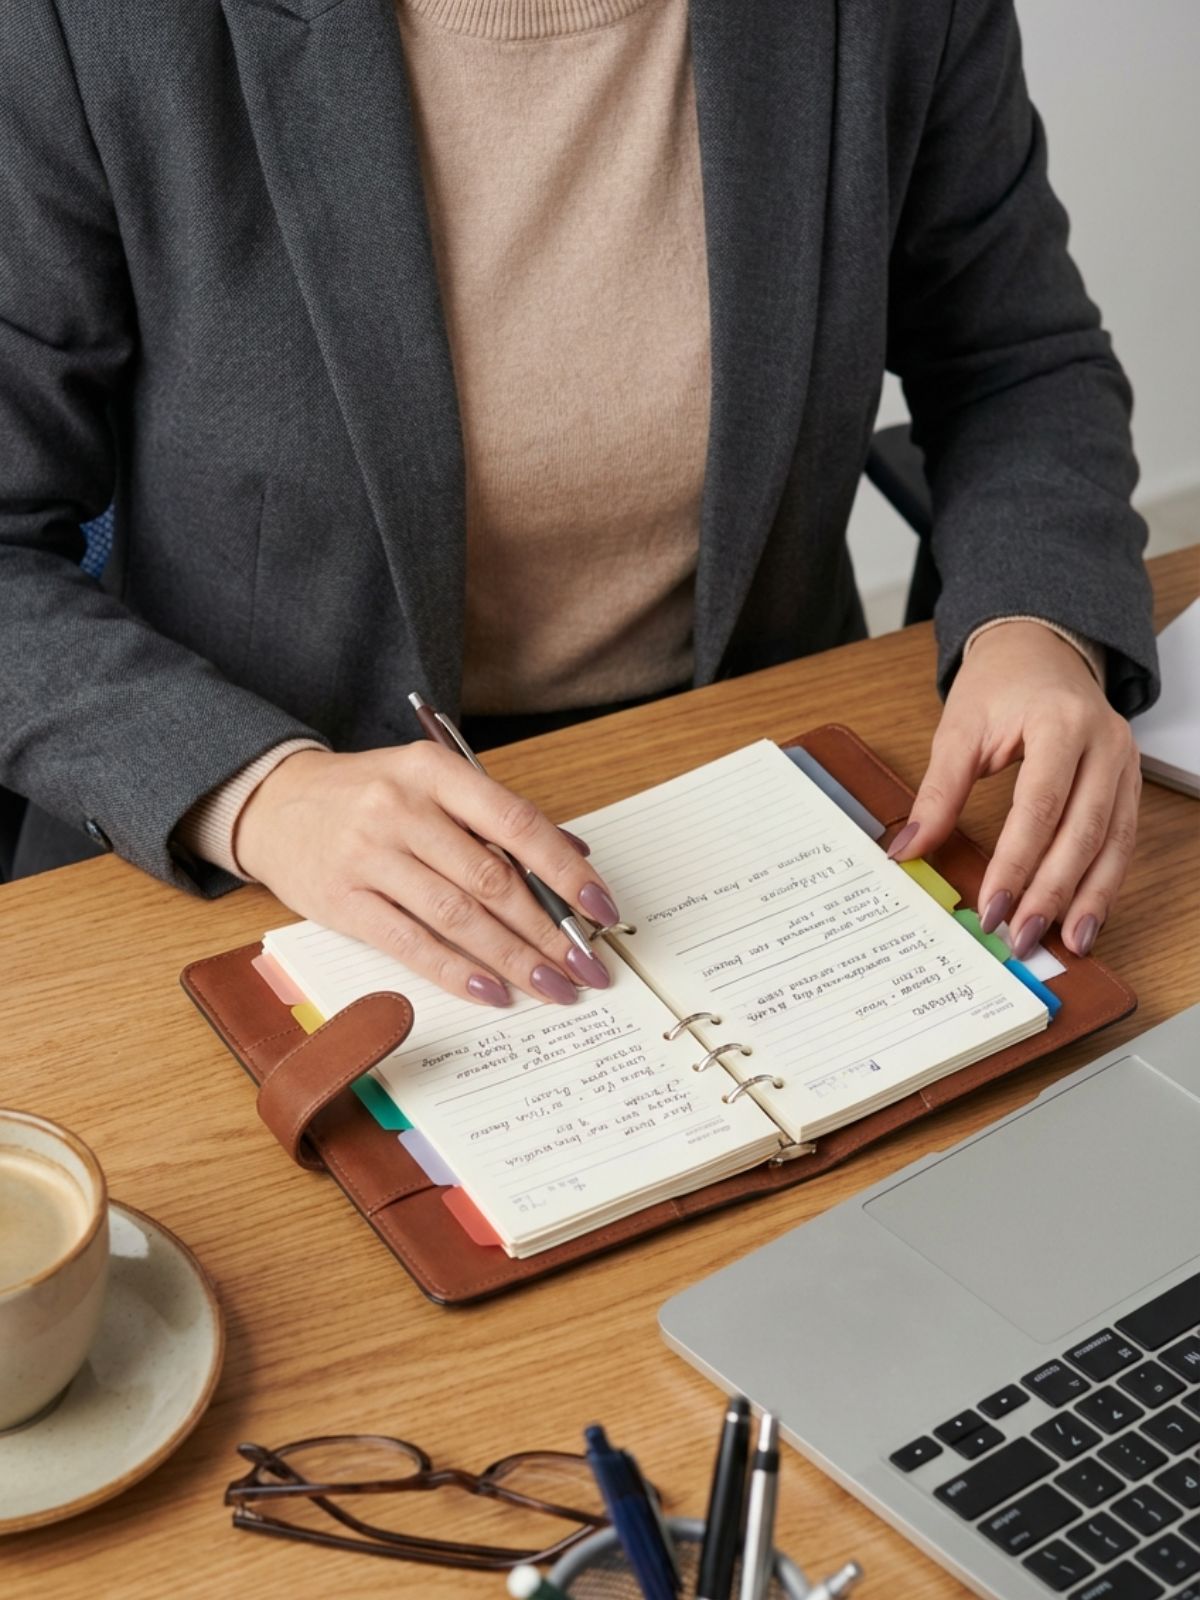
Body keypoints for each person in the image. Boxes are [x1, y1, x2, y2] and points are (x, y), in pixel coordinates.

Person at [0, 0, 1157, 1012]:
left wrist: (1036, 627)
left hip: (753, 794)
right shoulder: (94, 24)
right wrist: (258, 795)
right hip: (274, 848)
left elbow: (1018, 361)